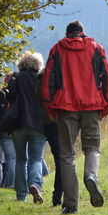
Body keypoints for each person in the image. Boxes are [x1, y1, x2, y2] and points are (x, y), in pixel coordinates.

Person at [42, 21, 108, 214]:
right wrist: (106, 105)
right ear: (82, 33)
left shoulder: (57, 49)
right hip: (92, 106)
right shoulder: (97, 49)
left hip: (66, 108)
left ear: (67, 34)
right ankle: (91, 176)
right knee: (92, 147)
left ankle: (71, 203)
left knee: (67, 155)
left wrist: (50, 107)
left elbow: (48, 81)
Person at [7, 51, 46, 203]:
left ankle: (21, 195)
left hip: (18, 123)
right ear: (38, 64)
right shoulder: (41, 78)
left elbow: (9, 96)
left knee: (21, 160)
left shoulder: (16, 78)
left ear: (21, 64)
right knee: (36, 159)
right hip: (38, 123)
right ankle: (35, 184)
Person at [36, 72, 63, 207]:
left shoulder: (43, 75)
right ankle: (60, 195)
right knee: (65, 159)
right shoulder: (68, 69)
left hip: (49, 122)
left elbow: (37, 99)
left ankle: (58, 196)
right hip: (66, 119)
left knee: (59, 159)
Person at [0, 74, 17, 188]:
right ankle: (17, 183)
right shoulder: (18, 93)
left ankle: (10, 183)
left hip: (5, 129)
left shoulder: (1, 95)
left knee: (10, 158)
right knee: (18, 158)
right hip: (17, 128)